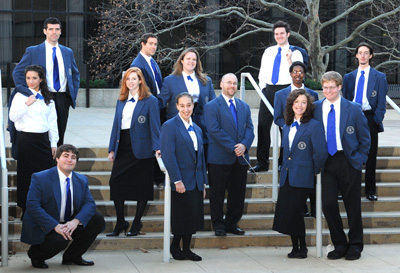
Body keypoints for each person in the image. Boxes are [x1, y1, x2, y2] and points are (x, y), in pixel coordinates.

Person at [314, 71, 370, 260]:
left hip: (347, 160)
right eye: (325, 87)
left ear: (339, 87)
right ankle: (339, 244)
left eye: (332, 87)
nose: (328, 91)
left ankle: (355, 245)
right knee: (328, 204)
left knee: (352, 205)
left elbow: (365, 138)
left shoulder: (353, 109)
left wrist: (359, 159)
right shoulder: (315, 108)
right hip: (326, 162)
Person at [21, 144, 105, 269]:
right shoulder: (40, 177)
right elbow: (32, 205)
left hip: (68, 222)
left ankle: (72, 256)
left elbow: (89, 204)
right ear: (57, 158)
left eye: (73, 157)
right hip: (47, 223)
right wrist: (55, 226)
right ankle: (36, 255)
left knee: (97, 219)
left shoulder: (81, 180)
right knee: (61, 239)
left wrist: (75, 222)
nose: (70, 160)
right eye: (66, 156)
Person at [272, 89, 327, 259]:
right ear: (291, 104)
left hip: (303, 177)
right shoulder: (287, 125)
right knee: (288, 213)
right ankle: (295, 246)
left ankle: (302, 247)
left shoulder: (314, 125)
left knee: (296, 212)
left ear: (308, 105)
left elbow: (320, 153)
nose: (300, 105)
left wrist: (313, 171)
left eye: (303, 102)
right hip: (288, 175)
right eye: (296, 102)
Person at [107, 67, 161, 237]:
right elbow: (116, 125)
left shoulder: (150, 101)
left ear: (140, 81)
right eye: (127, 79)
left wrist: (157, 147)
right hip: (123, 146)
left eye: (133, 79)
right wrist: (111, 149)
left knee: (142, 187)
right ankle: (121, 221)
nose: (130, 82)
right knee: (115, 182)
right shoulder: (121, 100)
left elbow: (155, 126)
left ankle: (136, 223)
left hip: (142, 149)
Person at [13, 17, 80, 147]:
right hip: (42, 96)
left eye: (57, 29)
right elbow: (17, 72)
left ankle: (57, 163)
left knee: (59, 132)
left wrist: (71, 95)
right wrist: (28, 92)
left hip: (62, 97)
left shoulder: (67, 52)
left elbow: (75, 74)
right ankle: (44, 161)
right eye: (51, 29)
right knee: (43, 130)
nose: (54, 32)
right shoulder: (33, 51)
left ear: (60, 31)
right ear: (45, 31)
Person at [204, 73, 255, 236]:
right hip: (220, 157)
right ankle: (218, 225)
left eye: (234, 83)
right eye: (228, 83)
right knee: (217, 194)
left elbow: (250, 129)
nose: (232, 86)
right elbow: (213, 130)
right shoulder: (212, 106)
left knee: (238, 194)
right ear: (221, 84)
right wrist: (234, 147)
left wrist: (244, 145)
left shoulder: (244, 106)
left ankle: (232, 223)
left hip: (240, 159)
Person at [160, 92, 207, 261]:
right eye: (182, 106)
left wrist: (203, 184)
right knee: (182, 216)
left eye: (189, 105)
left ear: (193, 106)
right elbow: (168, 155)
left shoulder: (198, 128)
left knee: (192, 217)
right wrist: (177, 180)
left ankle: (185, 249)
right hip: (181, 180)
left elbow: (201, 157)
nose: (186, 109)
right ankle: (177, 247)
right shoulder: (170, 126)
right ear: (177, 106)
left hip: (196, 181)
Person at [9, 65, 58, 219]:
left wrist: (54, 143)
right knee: (26, 176)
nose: (30, 81)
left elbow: (53, 122)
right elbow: (12, 117)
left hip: (43, 141)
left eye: (34, 78)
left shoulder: (48, 98)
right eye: (28, 78)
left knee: (46, 175)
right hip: (26, 141)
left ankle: (44, 208)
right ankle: (25, 210)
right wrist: (26, 104)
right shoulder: (20, 95)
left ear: (41, 79)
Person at [253, 20, 303, 172]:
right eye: (276, 34)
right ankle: (262, 162)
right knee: (262, 126)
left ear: (288, 34)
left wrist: (289, 60)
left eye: (282, 33)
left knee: (285, 126)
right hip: (268, 90)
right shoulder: (269, 51)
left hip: (286, 91)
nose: (279, 36)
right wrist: (263, 89)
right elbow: (263, 72)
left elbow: (298, 74)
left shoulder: (296, 52)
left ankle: (283, 162)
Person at [342, 42, 388, 201]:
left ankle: (370, 190)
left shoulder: (379, 77)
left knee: (370, 155)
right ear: (356, 55)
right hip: (352, 117)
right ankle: (347, 189)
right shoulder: (349, 77)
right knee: (349, 153)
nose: (362, 55)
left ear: (371, 56)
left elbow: (381, 103)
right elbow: (346, 99)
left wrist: (376, 120)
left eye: (366, 53)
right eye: (360, 52)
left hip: (369, 118)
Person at [274, 61, 319, 217]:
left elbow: (315, 117)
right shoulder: (280, 94)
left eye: (301, 71)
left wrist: (303, 126)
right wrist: (290, 124)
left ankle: (314, 209)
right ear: (291, 73)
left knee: (309, 177)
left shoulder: (313, 94)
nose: (298, 74)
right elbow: (277, 118)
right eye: (295, 71)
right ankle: (301, 208)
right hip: (290, 140)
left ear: (304, 74)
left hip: (308, 141)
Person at [158, 48, 216, 154]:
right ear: (181, 60)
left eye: (194, 59)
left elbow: (214, 105)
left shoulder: (206, 81)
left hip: (201, 130)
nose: (191, 61)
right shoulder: (169, 81)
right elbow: (160, 103)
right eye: (188, 58)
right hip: (178, 129)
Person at [130, 33, 165, 187]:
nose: (153, 47)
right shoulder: (137, 64)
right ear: (142, 44)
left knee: (159, 141)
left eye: (155, 44)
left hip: (158, 106)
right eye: (150, 43)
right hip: (148, 108)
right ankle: (155, 178)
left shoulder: (152, 62)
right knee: (153, 143)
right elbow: (140, 90)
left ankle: (157, 176)